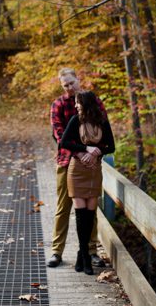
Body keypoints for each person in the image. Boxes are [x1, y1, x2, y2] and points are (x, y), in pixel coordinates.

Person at [48, 68, 107, 269]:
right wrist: (80, 152)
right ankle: (57, 251)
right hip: (67, 162)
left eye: (72, 82)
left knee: (91, 209)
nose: (70, 87)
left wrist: (92, 153)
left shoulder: (93, 101)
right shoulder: (58, 104)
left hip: (91, 164)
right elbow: (59, 135)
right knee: (63, 207)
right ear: (61, 86)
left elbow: (103, 129)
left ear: (78, 79)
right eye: (65, 85)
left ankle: (91, 251)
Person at [59, 91, 115, 274]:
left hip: (93, 171)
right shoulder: (76, 121)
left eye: (78, 103)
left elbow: (111, 146)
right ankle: (86, 259)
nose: (76, 106)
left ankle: (80, 255)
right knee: (80, 215)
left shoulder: (103, 123)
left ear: (86, 104)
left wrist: (98, 150)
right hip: (77, 171)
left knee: (90, 216)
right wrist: (85, 148)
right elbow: (64, 143)